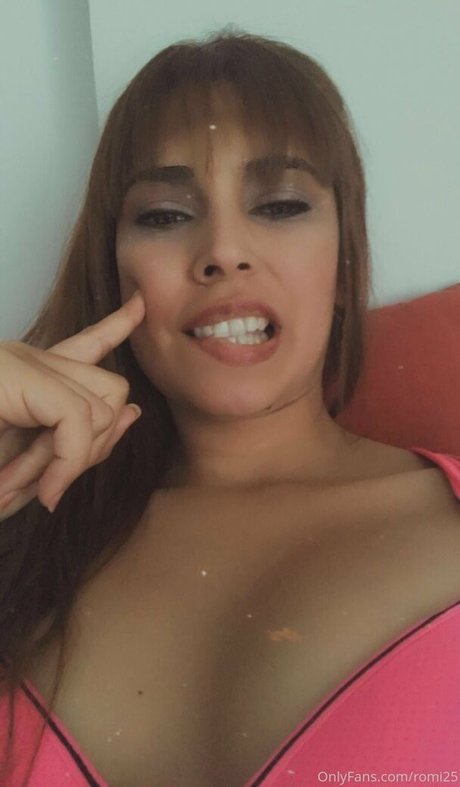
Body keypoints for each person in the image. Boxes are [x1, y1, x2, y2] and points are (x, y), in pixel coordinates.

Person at [0, 27, 459, 787]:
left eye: (280, 204)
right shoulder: (27, 535)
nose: (223, 249)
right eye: (165, 215)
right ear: (116, 274)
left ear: (343, 263)